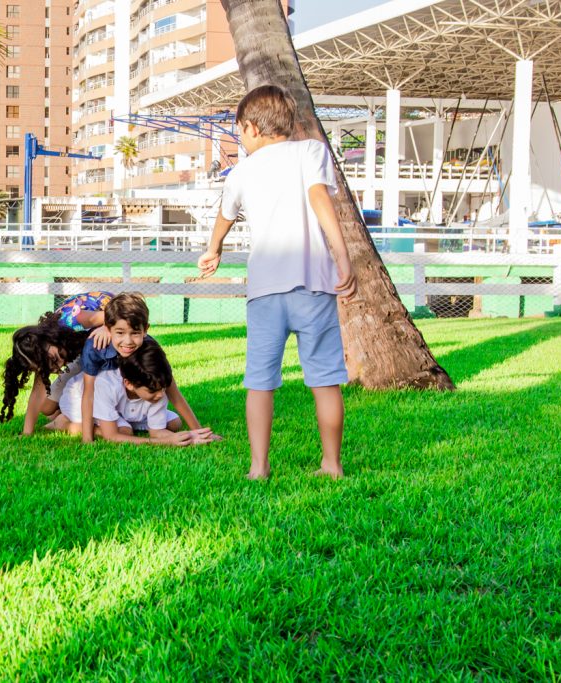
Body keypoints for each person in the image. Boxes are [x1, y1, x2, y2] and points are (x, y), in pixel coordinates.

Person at [197, 84, 357, 480]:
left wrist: (212, 249)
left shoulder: (242, 170)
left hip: (265, 290)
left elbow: (225, 214)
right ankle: (331, 465)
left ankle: (258, 467)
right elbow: (319, 197)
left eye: (239, 131)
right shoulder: (311, 151)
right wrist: (343, 256)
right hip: (314, 284)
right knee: (325, 381)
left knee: (260, 382)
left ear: (251, 128)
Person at [78, 292, 215, 444]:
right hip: (97, 388)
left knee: (174, 424)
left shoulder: (149, 347)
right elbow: (89, 394)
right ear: (109, 329)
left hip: (126, 395)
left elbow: (173, 393)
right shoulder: (95, 348)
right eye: (120, 333)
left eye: (135, 333)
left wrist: (199, 432)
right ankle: (72, 423)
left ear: (145, 330)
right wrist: (87, 439)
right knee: (120, 429)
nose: (128, 341)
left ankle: (130, 422)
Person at [50, 338, 212, 447]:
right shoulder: (107, 384)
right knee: (123, 432)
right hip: (80, 398)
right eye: (154, 391)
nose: (162, 395)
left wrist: (193, 436)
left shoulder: (157, 388)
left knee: (174, 424)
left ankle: (123, 420)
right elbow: (112, 436)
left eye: (163, 389)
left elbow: (157, 432)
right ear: (129, 384)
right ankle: (63, 422)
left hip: (121, 405)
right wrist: (166, 441)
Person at [0, 291, 114, 434]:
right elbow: (37, 393)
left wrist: (107, 327)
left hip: (106, 345)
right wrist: (27, 433)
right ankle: (66, 416)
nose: (58, 367)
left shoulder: (74, 319)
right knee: (46, 408)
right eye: (49, 369)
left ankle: (69, 422)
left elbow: (121, 315)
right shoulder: (47, 352)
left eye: (53, 360)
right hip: (78, 351)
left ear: (48, 338)